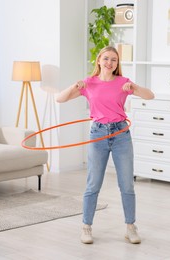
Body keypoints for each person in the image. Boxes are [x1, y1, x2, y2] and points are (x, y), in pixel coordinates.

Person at [56, 46, 154, 244]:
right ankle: (86, 227)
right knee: (93, 184)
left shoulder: (123, 83)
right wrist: (75, 86)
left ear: (117, 64)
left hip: (121, 135)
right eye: (106, 59)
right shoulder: (89, 83)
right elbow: (60, 98)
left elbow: (149, 95)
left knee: (127, 184)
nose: (110, 63)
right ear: (99, 60)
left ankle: (130, 227)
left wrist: (134, 88)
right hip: (98, 134)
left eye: (114, 60)